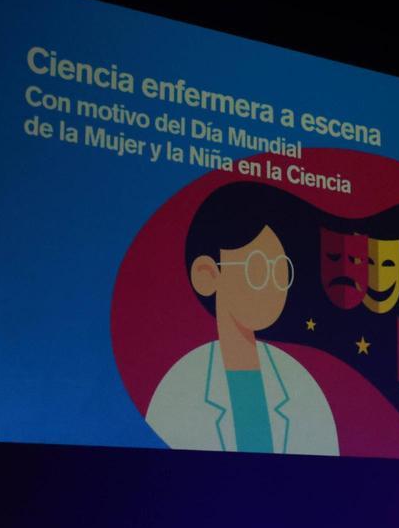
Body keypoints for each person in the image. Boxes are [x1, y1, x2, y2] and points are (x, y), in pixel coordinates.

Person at [145, 182, 338, 455]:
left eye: (280, 269)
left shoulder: (300, 385)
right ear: (207, 275)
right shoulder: (178, 387)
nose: (274, 285)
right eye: (257, 268)